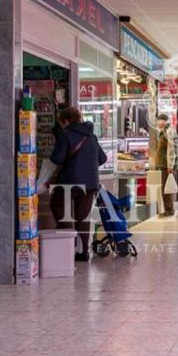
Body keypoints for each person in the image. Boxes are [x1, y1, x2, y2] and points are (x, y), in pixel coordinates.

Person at [49, 107, 107, 262]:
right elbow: (103, 159)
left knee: (57, 205)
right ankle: (83, 252)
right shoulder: (92, 136)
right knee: (82, 217)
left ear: (66, 121)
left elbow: (57, 159)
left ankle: (69, 240)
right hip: (90, 183)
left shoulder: (66, 135)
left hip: (70, 181)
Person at [155, 113, 178, 217]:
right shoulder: (163, 132)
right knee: (165, 188)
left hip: (167, 165)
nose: (158, 123)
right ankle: (168, 209)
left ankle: (169, 210)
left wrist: (170, 165)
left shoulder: (168, 132)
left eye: (159, 120)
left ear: (164, 121)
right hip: (164, 164)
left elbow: (171, 150)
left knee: (167, 189)